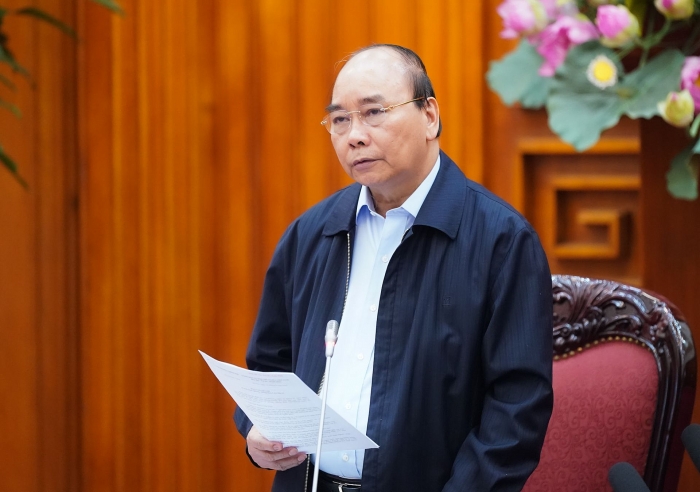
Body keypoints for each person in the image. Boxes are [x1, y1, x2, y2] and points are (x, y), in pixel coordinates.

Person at [234, 44, 553, 492]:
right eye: (339, 120)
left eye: (374, 113)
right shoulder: (312, 233)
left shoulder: (500, 240)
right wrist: (257, 428)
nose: (354, 136)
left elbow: (516, 407)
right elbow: (270, 362)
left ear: (430, 116)